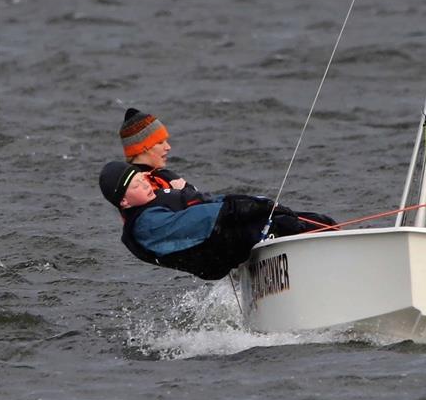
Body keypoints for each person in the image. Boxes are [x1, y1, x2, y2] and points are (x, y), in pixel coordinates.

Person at [99, 161, 335, 280]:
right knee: (292, 226)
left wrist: (255, 202)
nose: (144, 184)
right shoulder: (145, 226)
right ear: (124, 203)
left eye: (142, 179)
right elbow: (202, 219)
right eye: (135, 186)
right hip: (226, 249)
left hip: (233, 243)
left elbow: (205, 203)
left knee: (320, 221)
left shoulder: (153, 201)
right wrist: (247, 207)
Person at [119, 107, 192, 191]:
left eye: (166, 141)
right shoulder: (147, 183)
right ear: (143, 147)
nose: (168, 147)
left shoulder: (125, 181)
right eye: (160, 142)